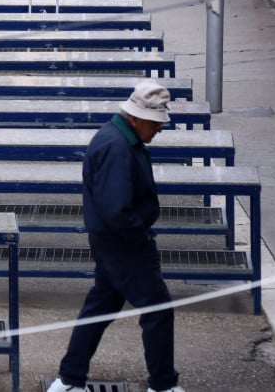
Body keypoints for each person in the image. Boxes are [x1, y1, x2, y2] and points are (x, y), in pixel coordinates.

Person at [46, 81, 184, 392]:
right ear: (137, 118)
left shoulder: (116, 139)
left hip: (114, 241)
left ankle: (69, 379)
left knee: (100, 308)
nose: (159, 130)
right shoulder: (118, 147)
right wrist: (140, 235)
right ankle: (162, 384)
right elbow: (117, 209)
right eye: (156, 123)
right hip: (125, 243)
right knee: (157, 310)